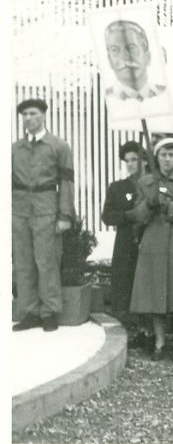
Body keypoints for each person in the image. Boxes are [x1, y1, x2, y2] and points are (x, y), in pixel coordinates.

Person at [128, 138, 173, 361]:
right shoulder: (145, 182)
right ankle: (160, 342)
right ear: (157, 157)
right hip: (153, 242)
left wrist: (169, 206)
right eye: (163, 155)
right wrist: (149, 204)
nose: (167, 159)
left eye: (171, 155)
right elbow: (137, 217)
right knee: (155, 294)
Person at [12, 99, 76, 332]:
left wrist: (65, 215)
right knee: (23, 262)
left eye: (33, 113)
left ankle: (49, 311)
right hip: (19, 211)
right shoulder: (15, 148)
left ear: (44, 116)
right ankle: (29, 312)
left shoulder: (58, 146)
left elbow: (66, 182)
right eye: (25, 114)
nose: (28, 118)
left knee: (46, 260)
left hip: (46, 209)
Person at [101, 141, 151, 347]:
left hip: (149, 240)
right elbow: (107, 216)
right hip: (126, 241)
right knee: (129, 283)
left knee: (149, 284)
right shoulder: (118, 187)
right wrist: (129, 215)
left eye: (135, 159)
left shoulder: (153, 184)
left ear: (145, 161)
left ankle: (152, 330)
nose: (130, 164)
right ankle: (140, 330)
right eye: (127, 160)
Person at [104, 20, 167, 101]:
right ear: (109, 61)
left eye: (131, 48)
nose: (124, 57)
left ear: (147, 57)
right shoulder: (103, 99)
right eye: (115, 50)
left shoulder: (165, 95)